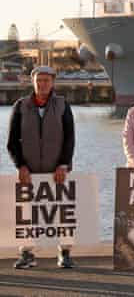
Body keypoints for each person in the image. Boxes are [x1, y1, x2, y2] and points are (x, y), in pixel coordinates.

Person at [6, 66, 76, 269]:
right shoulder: (20, 106)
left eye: (46, 80)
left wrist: (64, 164)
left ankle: (65, 253)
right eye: (38, 80)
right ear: (33, 82)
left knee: (62, 213)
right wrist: (20, 166)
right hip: (29, 172)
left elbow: (70, 139)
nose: (42, 84)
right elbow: (12, 142)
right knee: (27, 215)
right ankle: (27, 254)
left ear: (53, 82)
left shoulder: (63, 106)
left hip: (58, 172)